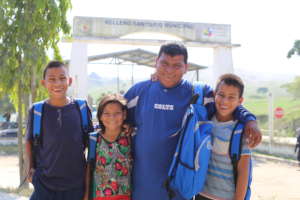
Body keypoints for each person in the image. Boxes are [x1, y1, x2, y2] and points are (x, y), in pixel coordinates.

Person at [124, 42, 261, 200]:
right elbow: (112, 115)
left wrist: (250, 120)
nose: (169, 70)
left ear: (186, 67)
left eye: (177, 65)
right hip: (142, 188)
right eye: (164, 63)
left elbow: (227, 103)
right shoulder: (138, 92)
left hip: (180, 190)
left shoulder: (198, 94)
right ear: (156, 62)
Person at [25, 61, 93, 200]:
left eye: (62, 78)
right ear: (44, 83)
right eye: (52, 79)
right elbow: (29, 141)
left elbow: (91, 146)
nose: (57, 83)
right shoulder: (37, 110)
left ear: (70, 81)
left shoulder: (81, 108)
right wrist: (30, 169)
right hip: (44, 186)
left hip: (75, 187)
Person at [196, 74, 251, 200]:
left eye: (231, 97)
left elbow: (243, 173)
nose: (224, 101)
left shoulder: (241, 130)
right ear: (214, 94)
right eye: (221, 95)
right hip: (200, 194)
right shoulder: (206, 120)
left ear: (240, 101)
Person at [84, 94, 132, 200]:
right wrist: (86, 195)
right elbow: (89, 169)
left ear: (124, 115)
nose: (112, 117)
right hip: (100, 196)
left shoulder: (129, 137)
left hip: (125, 196)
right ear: (100, 116)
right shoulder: (94, 139)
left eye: (117, 113)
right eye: (106, 113)